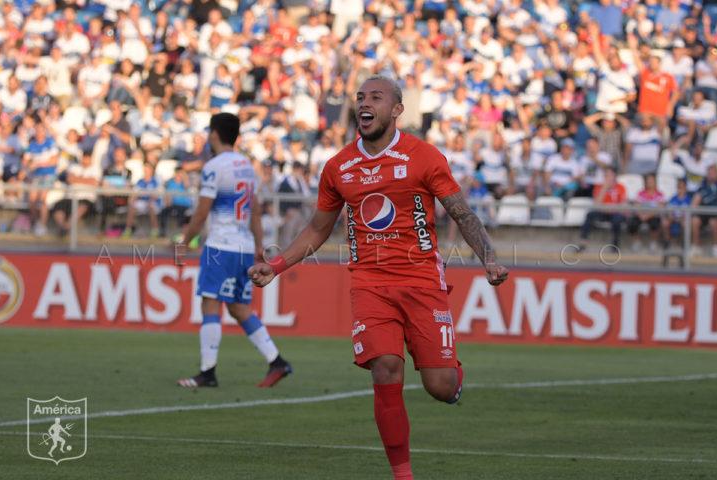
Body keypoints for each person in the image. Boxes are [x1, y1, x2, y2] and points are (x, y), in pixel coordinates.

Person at [248, 76, 509, 480]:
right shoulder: (339, 167)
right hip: (370, 281)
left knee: (439, 387)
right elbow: (318, 229)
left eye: (375, 97)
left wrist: (489, 258)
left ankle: (450, 376)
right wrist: (278, 264)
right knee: (385, 367)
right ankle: (402, 476)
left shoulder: (424, 156)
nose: (364, 104)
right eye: (360, 97)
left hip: (422, 279)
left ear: (397, 109)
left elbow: (461, 212)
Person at [176, 112, 292, 388]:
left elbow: (202, 211)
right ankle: (277, 361)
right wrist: (259, 245)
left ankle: (208, 372)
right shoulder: (246, 166)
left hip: (220, 245)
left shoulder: (214, 166)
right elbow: (252, 211)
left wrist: (184, 241)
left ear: (214, 134)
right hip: (244, 245)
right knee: (239, 308)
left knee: (210, 302)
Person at [577, 166, 628, 251]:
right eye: (605, 175)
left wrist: (611, 208)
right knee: (590, 215)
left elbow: (623, 204)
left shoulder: (621, 187)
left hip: (615, 213)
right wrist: (604, 188)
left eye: (609, 175)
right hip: (603, 212)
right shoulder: (599, 186)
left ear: (614, 176)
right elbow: (597, 204)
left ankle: (615, 244)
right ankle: (583, 242)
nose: (606, 177)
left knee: (617, 219)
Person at [689, 164, 717, 257]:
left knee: (713, 222)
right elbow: (695, 202)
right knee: (695, 220)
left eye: (713, 172)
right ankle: (696, 247)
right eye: (709, 173)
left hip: (715, 213)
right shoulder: (702, 187)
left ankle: (716, 247)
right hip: (704, 212)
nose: (710, 175)